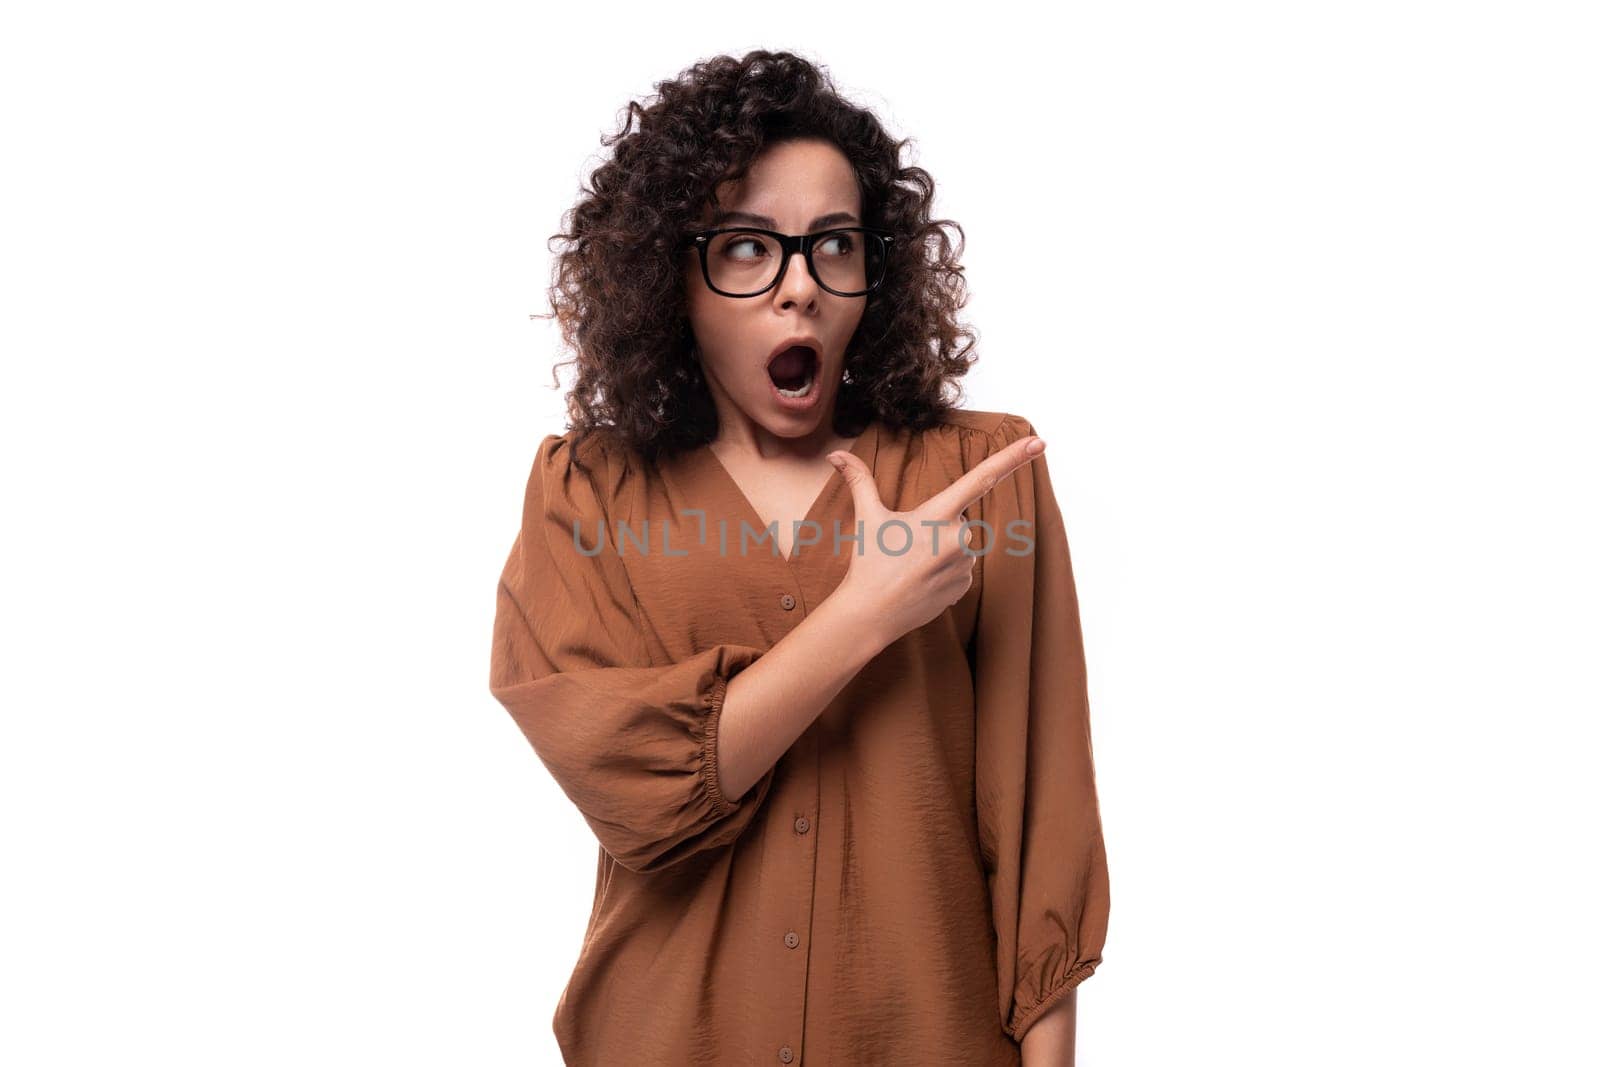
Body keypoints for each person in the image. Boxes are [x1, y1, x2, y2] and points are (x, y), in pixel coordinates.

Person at [489, 49, 1110, 1066]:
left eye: (833, 246)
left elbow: (1041, 821)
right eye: (745, 248)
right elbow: (638, 795)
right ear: (670, 276)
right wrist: (865, 612)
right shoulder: (586, 492)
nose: (798, 291)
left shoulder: (978, 473)